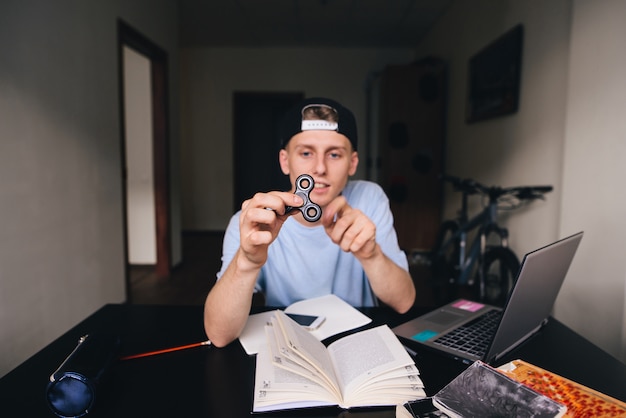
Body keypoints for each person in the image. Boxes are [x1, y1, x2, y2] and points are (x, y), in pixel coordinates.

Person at [204, 97, 416, 347]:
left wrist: (371, 255)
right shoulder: (252, 223)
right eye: (306, 153)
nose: (319, 168)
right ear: (285, 161)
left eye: (334, 154)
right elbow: (219, 335)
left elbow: (404, 302)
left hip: (357, 343)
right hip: (290, 344)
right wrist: (247, 263)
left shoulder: (369, 199)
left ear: (353, 163)